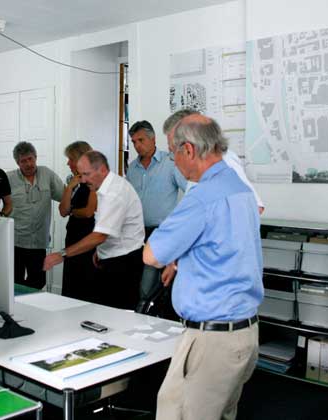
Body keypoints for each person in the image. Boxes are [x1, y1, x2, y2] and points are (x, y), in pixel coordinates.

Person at [143, 114, 263, 420]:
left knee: (176, 413)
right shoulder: (239, 187)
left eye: (173, 152)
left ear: (189, 150)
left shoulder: (201, 197)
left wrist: (172, 236)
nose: (173, 160)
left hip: (212, 340)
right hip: (244, 332)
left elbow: (152, 255)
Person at [43, 151, 145, 310]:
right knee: (103, 310)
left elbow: (99, 235)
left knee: (118, 314)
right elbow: (107, 226)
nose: (83, 180)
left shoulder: (114, 193)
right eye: (81, 174)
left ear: (102, 170)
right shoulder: (105, 187)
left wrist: (61, 254)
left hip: (124, 263)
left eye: (86, 174)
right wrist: (101, 251)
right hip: (112, 257)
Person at [126, 120, 186, 315]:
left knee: (149, 286)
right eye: (134, 142)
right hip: (136, 233)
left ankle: (150, 318)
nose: (137, 145)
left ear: (153, 139)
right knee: (136, 282)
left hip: (161, 233)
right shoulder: (132, 168)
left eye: (141, 140)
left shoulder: (170, 163)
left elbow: (191, 191)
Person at [163, 109, 266, 214]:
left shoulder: (225, 159)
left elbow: (255, 207)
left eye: (175, 148)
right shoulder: (197, 167)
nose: (175, 160)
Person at [6, 141, 64, 289]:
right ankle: (19, 302)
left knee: (39, 281)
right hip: (16, 242)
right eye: (23, 161)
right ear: (17, 163)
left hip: (38, 242)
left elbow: (64, 195)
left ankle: (26, 298)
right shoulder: (9, 178)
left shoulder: (47, 174)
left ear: (36, 157)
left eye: (30, 159)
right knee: (15, 282)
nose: (28, 164)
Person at [58, 141, 98, 302]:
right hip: (72, 238)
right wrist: (69, 188)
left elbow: (89, 212)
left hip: (87, 241)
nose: (68, 163)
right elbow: (62, 211)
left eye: (70, 159)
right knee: (70, 285)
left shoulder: (95, 179)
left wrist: (72, 211)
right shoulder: (74, 181)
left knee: (85, 288)